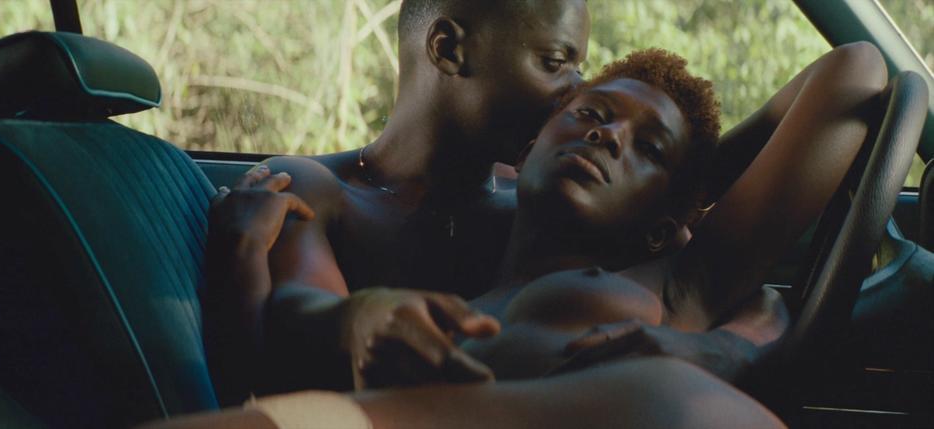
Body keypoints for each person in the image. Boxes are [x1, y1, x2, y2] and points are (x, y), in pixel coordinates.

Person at [152, 41, 887, 429]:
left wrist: (685, 188)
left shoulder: (678, 279)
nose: (607, 136)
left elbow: (854, 72)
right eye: (593, 114)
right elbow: (278, 346)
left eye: (646, 146)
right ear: (527, 147)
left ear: (666, 226)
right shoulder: (446, 273)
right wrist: (317, 294)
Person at [203, 0, 787, 400]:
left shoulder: (554, 205)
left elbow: (731, 286)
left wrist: (731, 350)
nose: (577, 89)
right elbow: (300, 341)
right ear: (449, 49)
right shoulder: (316, 192)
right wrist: (252, 259)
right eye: (556, 63)